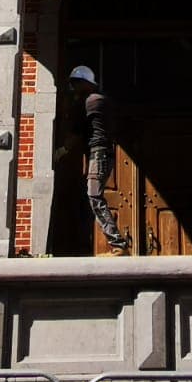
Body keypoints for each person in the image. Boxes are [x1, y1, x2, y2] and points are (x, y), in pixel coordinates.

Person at [56, 65, 133, 255]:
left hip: (97, 154)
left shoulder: (88, 103)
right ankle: (90, 243)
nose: (73, 88)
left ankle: (117, 243)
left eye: (76, 84)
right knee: (90, 197)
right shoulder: (102, 100)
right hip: (102, 153)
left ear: (85, 84)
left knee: (94, 196)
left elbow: (76, 133)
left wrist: (62, 151)